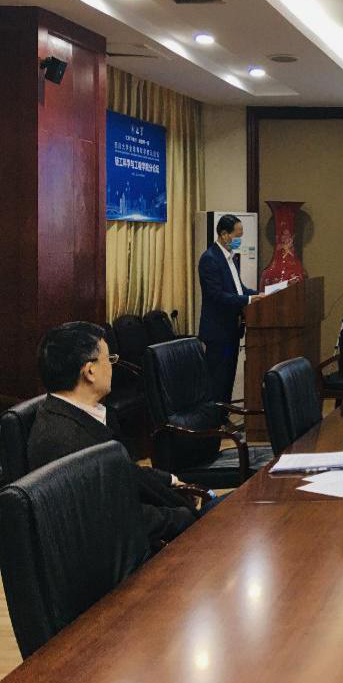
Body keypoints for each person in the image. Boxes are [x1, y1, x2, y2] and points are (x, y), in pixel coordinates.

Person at [27, 322, 198, 550]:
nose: (112, 366)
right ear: (90, 371)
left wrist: (170, 480)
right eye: (109, 359)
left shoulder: (77, 413)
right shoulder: (65, 442)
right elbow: (119, 518)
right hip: (123, 557)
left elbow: (124, 472)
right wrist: (184, 518)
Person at [198, 214, 263, 402]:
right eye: (237, 235)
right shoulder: (210, 259)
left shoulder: (231, 258)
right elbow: (217, 296)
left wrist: (259, 295)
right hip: (218, 333)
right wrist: (249, 299)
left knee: (227, 379)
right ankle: (215, 416)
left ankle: (224, 414)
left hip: (232, 331)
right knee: (218, 380)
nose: (239, 239)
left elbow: (238, 289)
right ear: (224, 234)